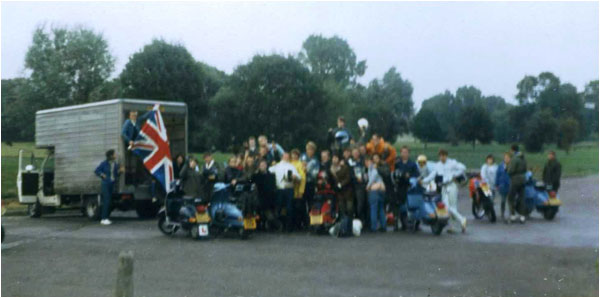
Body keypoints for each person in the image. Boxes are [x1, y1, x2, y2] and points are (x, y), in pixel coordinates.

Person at [423, 149, 467, 233]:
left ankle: (462, 219)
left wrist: (454, 175)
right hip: (443, 187)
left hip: (451, 185)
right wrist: (424, 181)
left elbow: (463, 168)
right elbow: (432, 175)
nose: (442, 157)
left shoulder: (452, 163)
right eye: (441, 155)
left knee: (449, 207)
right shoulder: (437, 165)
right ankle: (452, 226)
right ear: (439, 156)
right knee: (450, 208)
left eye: (444, 155)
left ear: (446, 155)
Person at [269, 152, 301, 232]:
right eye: (285, 156)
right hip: (279, 189)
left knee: (289, 208)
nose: (286, 158)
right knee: (278, 207)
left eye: (287, 156)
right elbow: (269, 170)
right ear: (282, 157)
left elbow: (299, 177)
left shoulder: (291, 166)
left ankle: (288, 226)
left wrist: (295, 177)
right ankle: (278, 225)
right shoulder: (277, 166)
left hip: (289, 189)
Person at [392, 146, 419, 231]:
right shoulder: (397, 164)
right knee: (400, 205)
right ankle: (402, 223)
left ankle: (413, 223)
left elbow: (416, 175)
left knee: (410, 205)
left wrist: (409, 176)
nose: (404, 154)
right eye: (403, 152)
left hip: (409, 186)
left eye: (406, 152)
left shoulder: (413, 164)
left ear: (408, 153)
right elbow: (394, 174)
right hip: (400, 187)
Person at [94, 149, 124, 225]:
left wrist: (120, 171)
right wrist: (102, 175)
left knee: (109, 201)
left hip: (111, 184)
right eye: (114, 154)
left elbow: (116, 175)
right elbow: (97, 171)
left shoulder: (115, 164)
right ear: (110, 156)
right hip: (105, 184)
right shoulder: (104, 163)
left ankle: (106, 218)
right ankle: (103, 219)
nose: (115, 155)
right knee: (106, 201)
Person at [252, 159, 279, 231]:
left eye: (264, 165)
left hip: (270, 197)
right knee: (264, 210)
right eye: (261, 165)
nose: (263, 167)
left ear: (266, 166)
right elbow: (251, 181)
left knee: (271, 211)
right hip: (260, 197)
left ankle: (273, 224)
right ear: (259, 167)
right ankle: (263, 225)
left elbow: (274, 186)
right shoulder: (256, 175)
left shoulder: (271, 176)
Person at [506, 144, 528, 224]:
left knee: (510, 198)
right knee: (522, 198)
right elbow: (525, 169)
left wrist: (507, 169)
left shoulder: (514, 159)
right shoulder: (523, 158)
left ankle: (512, 216)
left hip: (515, 180)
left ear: (512, 150)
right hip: (523, 179)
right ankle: (522, 216)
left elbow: (510, 170)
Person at [366, 154, 386, 232]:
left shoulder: (372, 167)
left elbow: (373, 177)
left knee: (373, 208)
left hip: (375, 188)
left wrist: (368, 186)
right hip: (382, 188)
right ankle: (383, 226)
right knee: (381, 208)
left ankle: (373, 227)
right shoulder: (380, 166)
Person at [348, 147, 368, 225]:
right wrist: (355, 177)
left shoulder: (363, 161)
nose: (355, 154)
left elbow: (366, 171)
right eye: (354, 152)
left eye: (357, 152)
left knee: (363, 203)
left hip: (363, 185)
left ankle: (363, 220)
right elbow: (350, 173)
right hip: (354, 186)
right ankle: (358, 219)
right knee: (357, 204)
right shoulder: (350, 162)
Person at [330, 154, 354, 218]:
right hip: (339, 192)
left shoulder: (344, 167)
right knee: (342, 208)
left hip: (347, 190)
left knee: (349, 208)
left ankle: (350, 221)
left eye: (336, 158)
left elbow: (348, 178)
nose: (334, 159)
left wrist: (340, 184)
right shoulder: (331, 169)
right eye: (333, 158)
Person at [291, 149, 307, 230]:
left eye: (295, 155)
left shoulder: (300, 164)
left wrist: (301, 191)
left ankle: (300, 225)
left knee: (299, 208)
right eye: (293, 154)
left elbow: (303, 178)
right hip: (290, 190)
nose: (294, 156)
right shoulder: (289, 163)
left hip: (298, 191)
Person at [301, 141, 320, 212]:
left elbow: (315, 173)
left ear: (314, 151)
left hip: (310, 183)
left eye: (311, 149)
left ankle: (310, 219)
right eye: (308, 149)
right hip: (301, 182)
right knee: (301, 202)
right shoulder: (302, 156)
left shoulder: (315, 160)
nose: (309, 151)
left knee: (310, 202)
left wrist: (307, 171)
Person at [495, 152, 511, 220]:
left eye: (508, 158)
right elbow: (497, 175)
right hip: (502, 185)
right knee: (503, 200)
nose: (506, 159)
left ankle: (511, 214)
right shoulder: (500, 166)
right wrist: (497, 184)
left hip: (510, 185)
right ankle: (502, 213)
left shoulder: (512, 165)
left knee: (510, 201)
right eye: (505, 158)